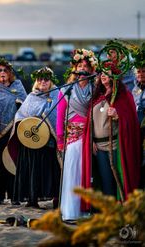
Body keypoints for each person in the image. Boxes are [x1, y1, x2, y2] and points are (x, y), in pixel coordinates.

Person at [82, 62, 140, 202]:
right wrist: (91, 140)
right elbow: (90, 122)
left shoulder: (123, 95)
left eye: (106, 73)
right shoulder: (97, 96)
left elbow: (131, 119)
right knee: (105, 180)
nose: (103, 76)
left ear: (114, 76)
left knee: (119, 178)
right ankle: (110, 213)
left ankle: (122, 209)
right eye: (101, 73)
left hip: (115, 145)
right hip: (99, 147)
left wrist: (118, 114)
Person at [7, 67, 61, 208]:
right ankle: (32, 198)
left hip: (47, 140)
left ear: (51, 81)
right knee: (32, 169)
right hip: (30, 139)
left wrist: (42, 117)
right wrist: (27, 122)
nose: (43, 81)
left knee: (50, 169)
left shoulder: (57, 94)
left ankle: (54, 197)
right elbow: (21, 114)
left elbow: (56, 114)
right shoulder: (31, 96)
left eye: (46, 79)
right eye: (40, 79)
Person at [57, 48, 97, 221]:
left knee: (87, 174)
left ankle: (84, 210)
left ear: (90, 69)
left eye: (85, 66)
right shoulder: (66, 90)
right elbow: (59, 118)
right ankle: (70, 211)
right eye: (79, 65)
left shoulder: (96, 90)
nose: (82, 68)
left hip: (90, 138)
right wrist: (60, 140)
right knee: (72, 173)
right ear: (75, 68)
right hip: (73, 138)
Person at [0, 57, 27, 204]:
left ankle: (14, 195)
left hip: (14, 130)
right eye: (0, 70)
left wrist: (19, 103)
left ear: (9, 72)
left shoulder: (17, 85)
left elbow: (26, 103)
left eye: (5, 70)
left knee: (12, 161)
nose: (3, 72)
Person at [130, 42, 145, 188]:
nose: (140, 74)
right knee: (138, 160)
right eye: (138, 72)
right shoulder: (135, 89)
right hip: (137, 131)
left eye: (143, 71)